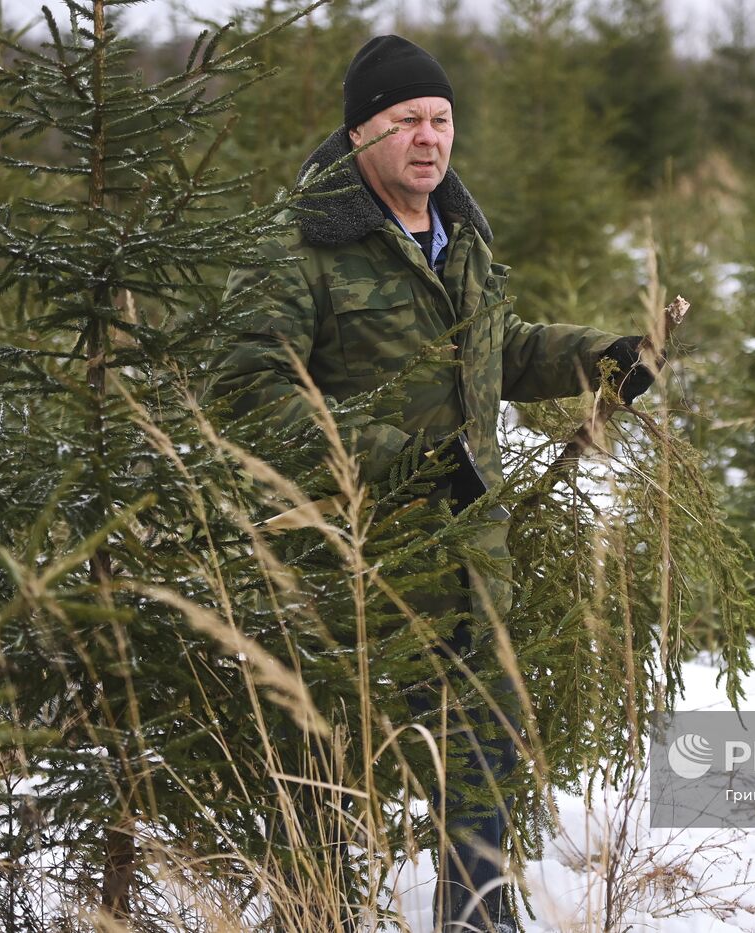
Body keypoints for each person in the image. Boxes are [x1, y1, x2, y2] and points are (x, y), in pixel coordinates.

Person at [205, 35, 656, 933]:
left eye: (441, 118)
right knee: (331, 766)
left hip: (464, 559)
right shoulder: (302, 247)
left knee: (483, 756)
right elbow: (249, 393)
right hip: (347, 563)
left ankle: (478, 921)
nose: (427, 136)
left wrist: (597, 356)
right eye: (404, 118)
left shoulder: (461, 236)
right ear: (358, 133)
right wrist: (395, 457)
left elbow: (502, 347)